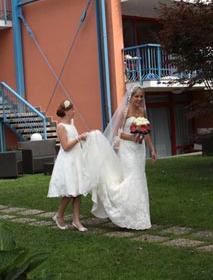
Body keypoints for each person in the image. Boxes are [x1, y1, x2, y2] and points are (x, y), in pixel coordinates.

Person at [90, 86, 156, 230]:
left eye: (141, 97)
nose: (139, 99)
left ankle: (139, 216)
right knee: (131, 178)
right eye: (136, 96)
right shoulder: (124, 111)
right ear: (130, 97)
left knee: (139, 179)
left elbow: (146, 133)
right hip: (127, 150)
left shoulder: (142, 111)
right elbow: (117, 133)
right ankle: (124, 213)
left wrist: (152, 149)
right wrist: (132, 137)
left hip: (139, 150)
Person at [47, 100, 90, 232]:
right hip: (67, 161)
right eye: (71, 109)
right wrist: (79, 138)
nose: (74, 111)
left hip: (76, 160)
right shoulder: (61, 127)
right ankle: (59, 215)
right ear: (65, 112)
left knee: (78, 192)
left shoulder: (72, 125)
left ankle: (76, 220)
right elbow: (65, 146)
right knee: (70, 192)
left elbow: (75, 142)